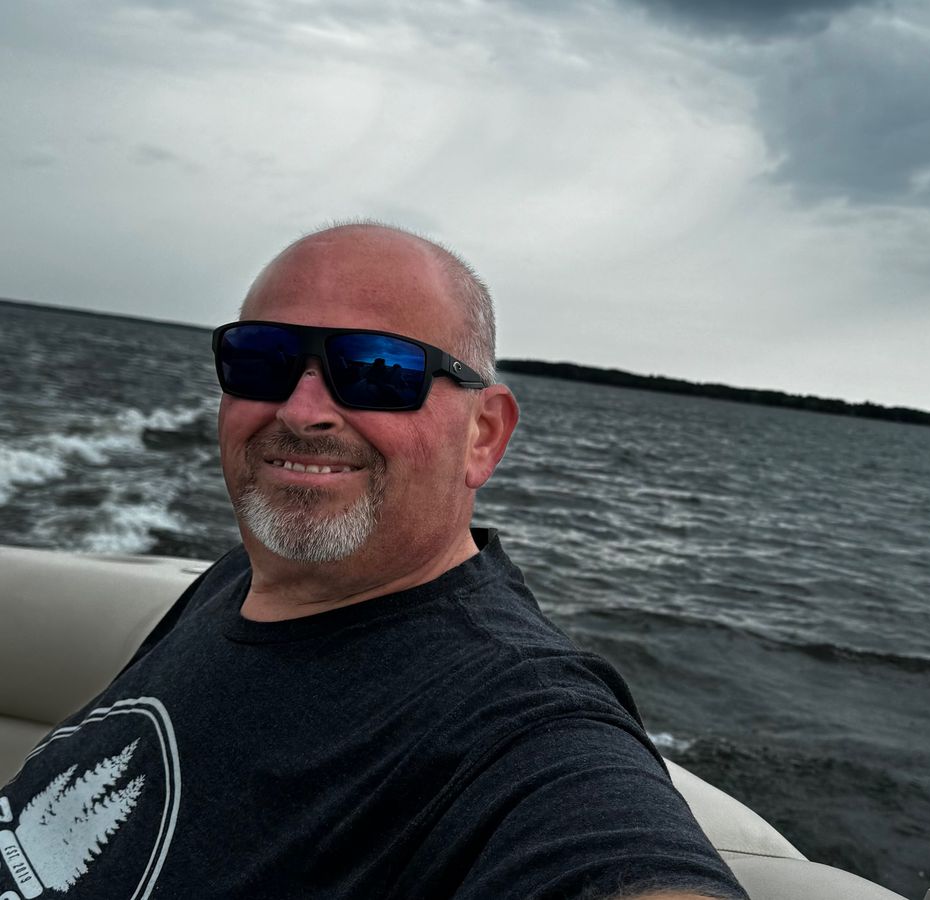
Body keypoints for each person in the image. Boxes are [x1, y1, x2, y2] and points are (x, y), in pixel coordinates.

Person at [0, 223, 749, 900]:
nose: (302, 411)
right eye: (261, 359)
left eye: (378, 370)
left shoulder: (515, 719)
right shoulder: (242, 578)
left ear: (483, 435)